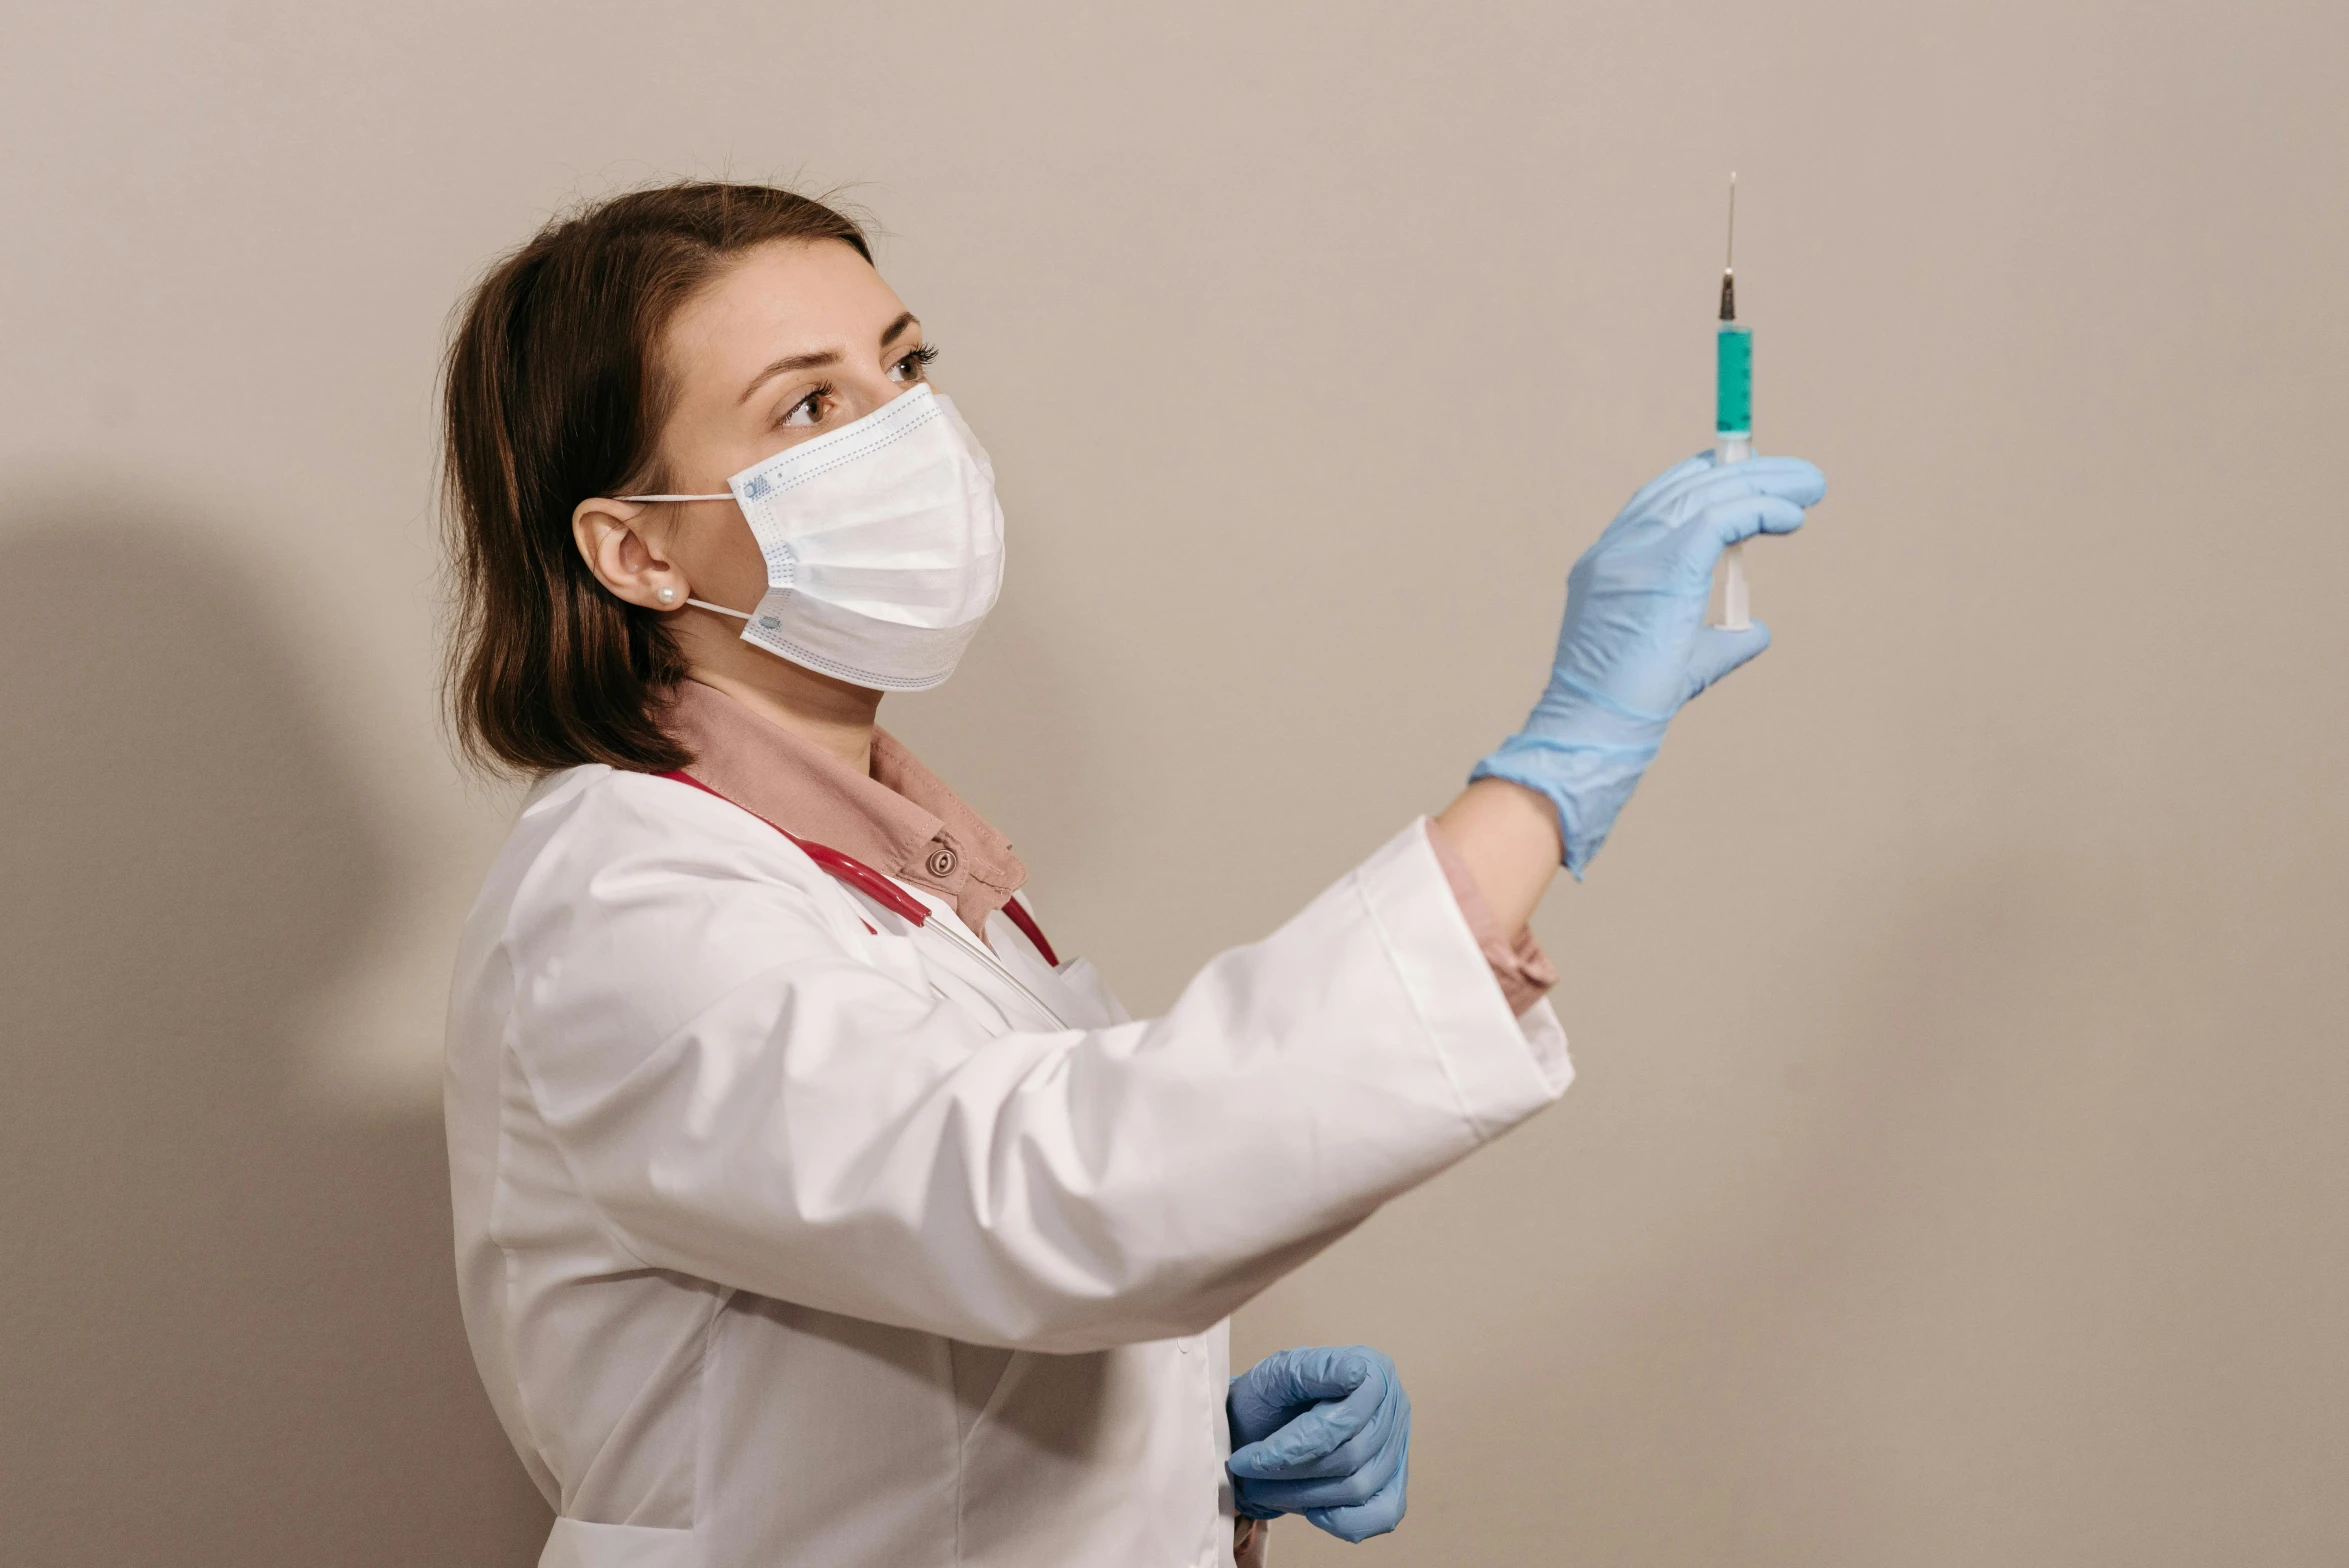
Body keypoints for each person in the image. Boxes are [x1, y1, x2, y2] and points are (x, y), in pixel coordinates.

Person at [438, 181, 1825, 1568]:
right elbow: (1046, 1196)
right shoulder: (622, 905)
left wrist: (1180, 1461)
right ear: (637, 551)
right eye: (810, 407)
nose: (907, 431)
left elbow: (914, 1341)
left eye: (905, 365)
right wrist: (1550, 776)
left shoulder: (927, 886)